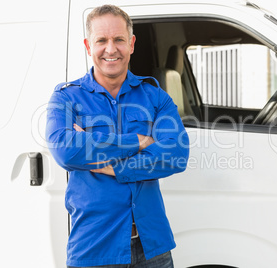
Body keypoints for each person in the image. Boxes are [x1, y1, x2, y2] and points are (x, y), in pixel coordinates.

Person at [46, 4, 189, 268]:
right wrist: (139, 141)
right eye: (101, 40)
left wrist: (116, 167)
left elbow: (176, 155)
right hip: (95, 248)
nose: (111, 49)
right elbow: (65, 150)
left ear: (131, 43)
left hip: (152, 248)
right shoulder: (66, 97)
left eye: (119, 40)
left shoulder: (155, 96)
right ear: (89, 46)